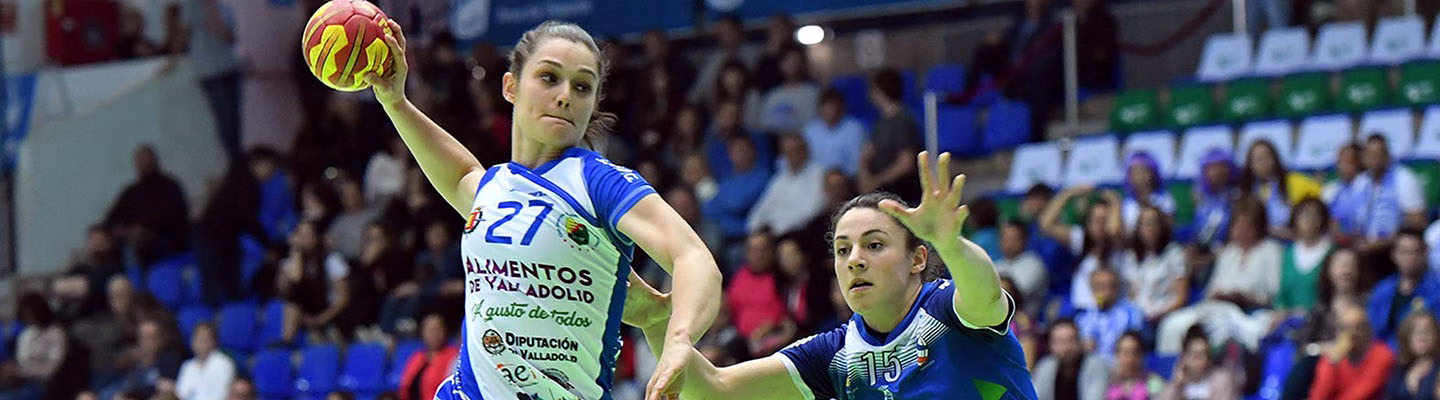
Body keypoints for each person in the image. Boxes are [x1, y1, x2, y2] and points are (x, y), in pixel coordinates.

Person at [362, 19, 723, 399]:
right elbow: (460, 175)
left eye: (582, 87)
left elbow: (694, 258)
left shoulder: (597, 181)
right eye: (549, 78)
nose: (565, 96)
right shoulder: (494, 187)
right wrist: (395, 102)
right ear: (510, 86)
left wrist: (680, 340)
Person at [627, 152, 1038, 399]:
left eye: (874, 245)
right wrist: (654, 320)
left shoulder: (948, 311)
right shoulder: (836, 353)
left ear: (917, 259)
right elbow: (713, 390)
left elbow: (986, 295)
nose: (854, 260)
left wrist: (952, 245)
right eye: (843, 250)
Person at [1385, 310, 1439, 399]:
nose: (1422, 337)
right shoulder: (1400, 367)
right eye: (1416, 332)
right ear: (1406, 338)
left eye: (1427, 331)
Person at [175, 323, 236, 400]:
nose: (200, 342)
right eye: (197, 338)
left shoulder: (224, 364)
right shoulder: (187, 366)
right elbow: (181, 394)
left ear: (214, 342)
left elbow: (222, 396)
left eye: (204, 338)